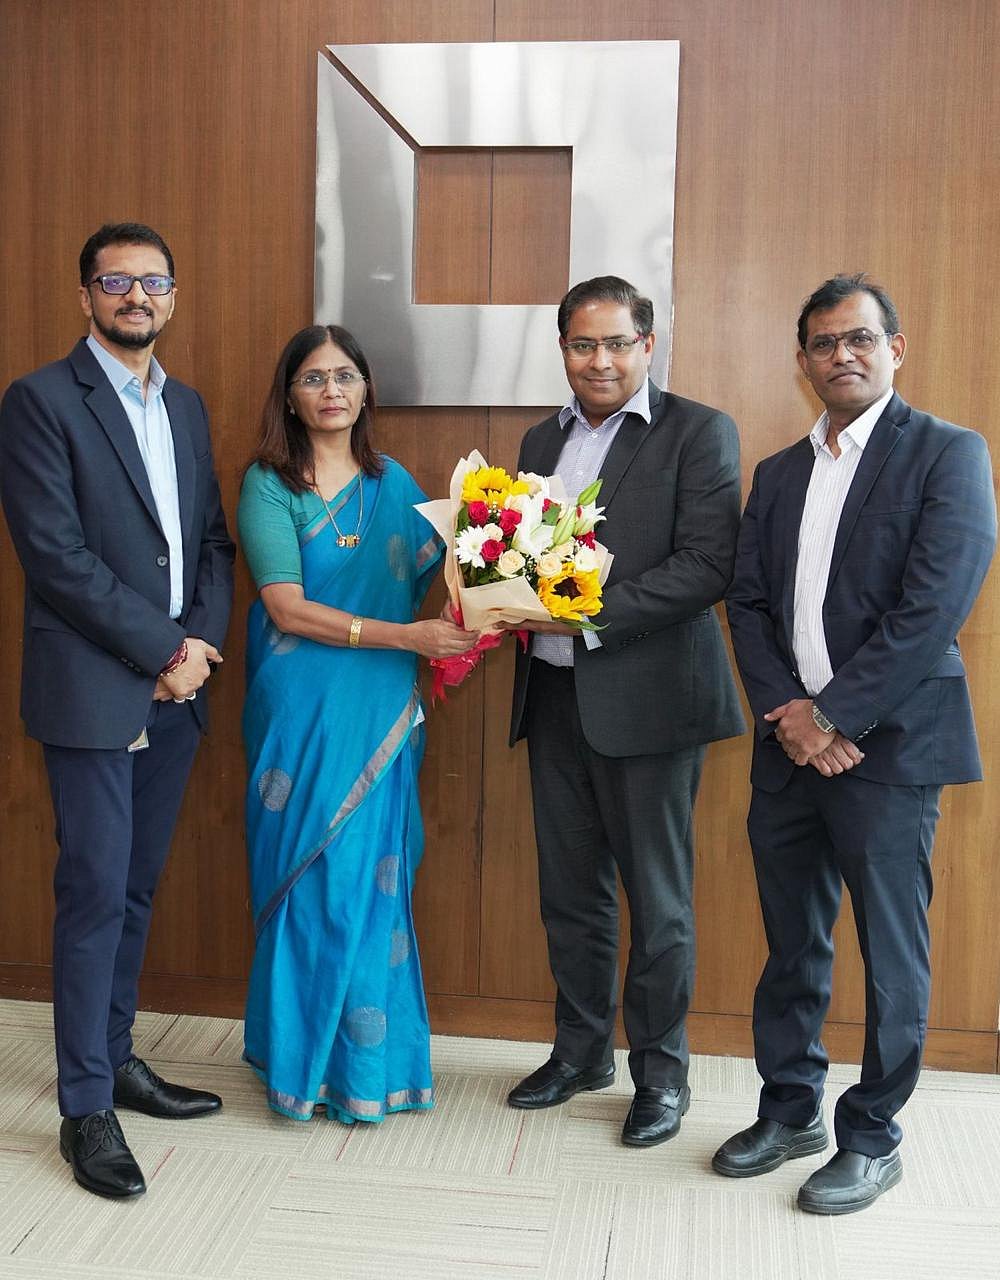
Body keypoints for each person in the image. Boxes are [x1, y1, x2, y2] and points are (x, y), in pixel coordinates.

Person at [717, 273, 996, 1214]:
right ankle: (790, 1105)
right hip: (787, 744)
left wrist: (832, 715)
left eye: (861, 338)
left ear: (895, 348)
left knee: (891, 948)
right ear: (802, 362)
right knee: (791, 940)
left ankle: (873, 1135)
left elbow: (933, 611)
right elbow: (748, 603)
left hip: (891, 745)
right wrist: (789, 714)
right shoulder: (780, 472)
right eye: (825, 343)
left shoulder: (949, 454)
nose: (843, 354)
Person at [0, 222, 235, 1199]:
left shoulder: (184, 403)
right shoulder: (40, 401)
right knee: (93, 892)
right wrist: (162, 649)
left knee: (136, 888)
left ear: (173, 296)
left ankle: (118, 1052)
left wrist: (197, 652)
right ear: (87, 293)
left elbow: (211, 542)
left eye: (152, 281)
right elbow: (55, 556)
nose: (135, 296)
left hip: (177, 689)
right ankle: (84, 1105)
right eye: (116, 280)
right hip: (97, 690)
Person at [504, 276, 745, 1147]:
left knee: (660, 901)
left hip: (650, 702)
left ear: (648, 345)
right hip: (556, 694)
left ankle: (661, 1074)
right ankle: (579, 1052)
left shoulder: (698, 431)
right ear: (562, 349)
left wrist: (584, 612)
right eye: (581, 345)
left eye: (616, 344)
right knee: (570, 892)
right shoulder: (540, 437)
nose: (598, 361)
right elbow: (526, 561)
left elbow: (708, 566)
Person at [237, 323, 475, 1126]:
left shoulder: (394, 483)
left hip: (380, 708)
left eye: (345, 375)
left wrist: (493, 597)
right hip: (301, 708)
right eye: (313, 378)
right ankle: (301, 1067)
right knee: (313, 883)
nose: (332, 390)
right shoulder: (270, 482)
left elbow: (425, 591)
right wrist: (410, 638)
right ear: (291, 395)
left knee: (375, 884)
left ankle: (370, 1068)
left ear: (367, 389)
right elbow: (285, 606)